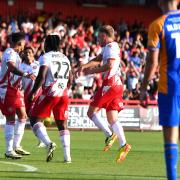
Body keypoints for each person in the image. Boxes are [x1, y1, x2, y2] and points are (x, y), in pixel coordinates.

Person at [76, 25, 131, 163]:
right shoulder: (110, 47)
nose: (98, 40)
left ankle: (109, 135)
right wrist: (84, 66)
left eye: (99, 37)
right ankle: (124, 145)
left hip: (110, 84)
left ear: (104, 36)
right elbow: (98, 58)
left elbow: (109, 65)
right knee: (112, 118)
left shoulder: (111, 47)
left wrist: (92, 71)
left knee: (91, 112)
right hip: (117, 84)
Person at [140, 0, 180, 179]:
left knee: (171, 136)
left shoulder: (158, 24)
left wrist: (143, 88)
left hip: (170, 86)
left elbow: (152, 62)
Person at [28, 34, 72, 163]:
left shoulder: (45, 57)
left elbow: (41, 76)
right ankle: (67, 157)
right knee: (62, 125)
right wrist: (63, 87)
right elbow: (71, 78)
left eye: (45, 43)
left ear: (48, 44)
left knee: (34, 118)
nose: (44, 45)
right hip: (63, 94)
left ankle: (48, 143)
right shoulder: (65, 57)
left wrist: (33, 91)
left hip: (49, 93)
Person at [0, 32, 35, 159]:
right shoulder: (9, 53)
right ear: (19, 43)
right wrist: (25, 74)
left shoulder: (16, 55)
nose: (24, 46)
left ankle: (16, 146)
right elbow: (10, 67)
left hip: (15, 90)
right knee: (10, 119)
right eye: (23, 43)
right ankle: (9, 150)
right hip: (6, 90)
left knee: (23, 116)